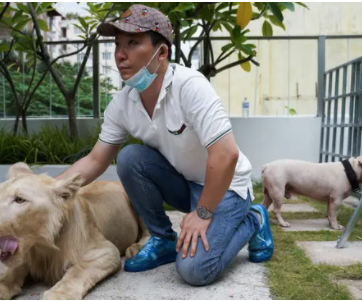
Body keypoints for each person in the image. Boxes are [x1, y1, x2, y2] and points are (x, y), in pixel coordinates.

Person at [56, 4, 274, 286]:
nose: (120, 55)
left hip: (225, 187)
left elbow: (226, 154)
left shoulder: (191, 87)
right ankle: (162, 238)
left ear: (162, 53)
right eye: (118, 44)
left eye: (133, 43)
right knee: (130, 157)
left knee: (195, 271)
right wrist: (47, 191)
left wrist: (203, 213)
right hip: (184, 184)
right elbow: (97, 160)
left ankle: (254, 219)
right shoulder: (122, 103)